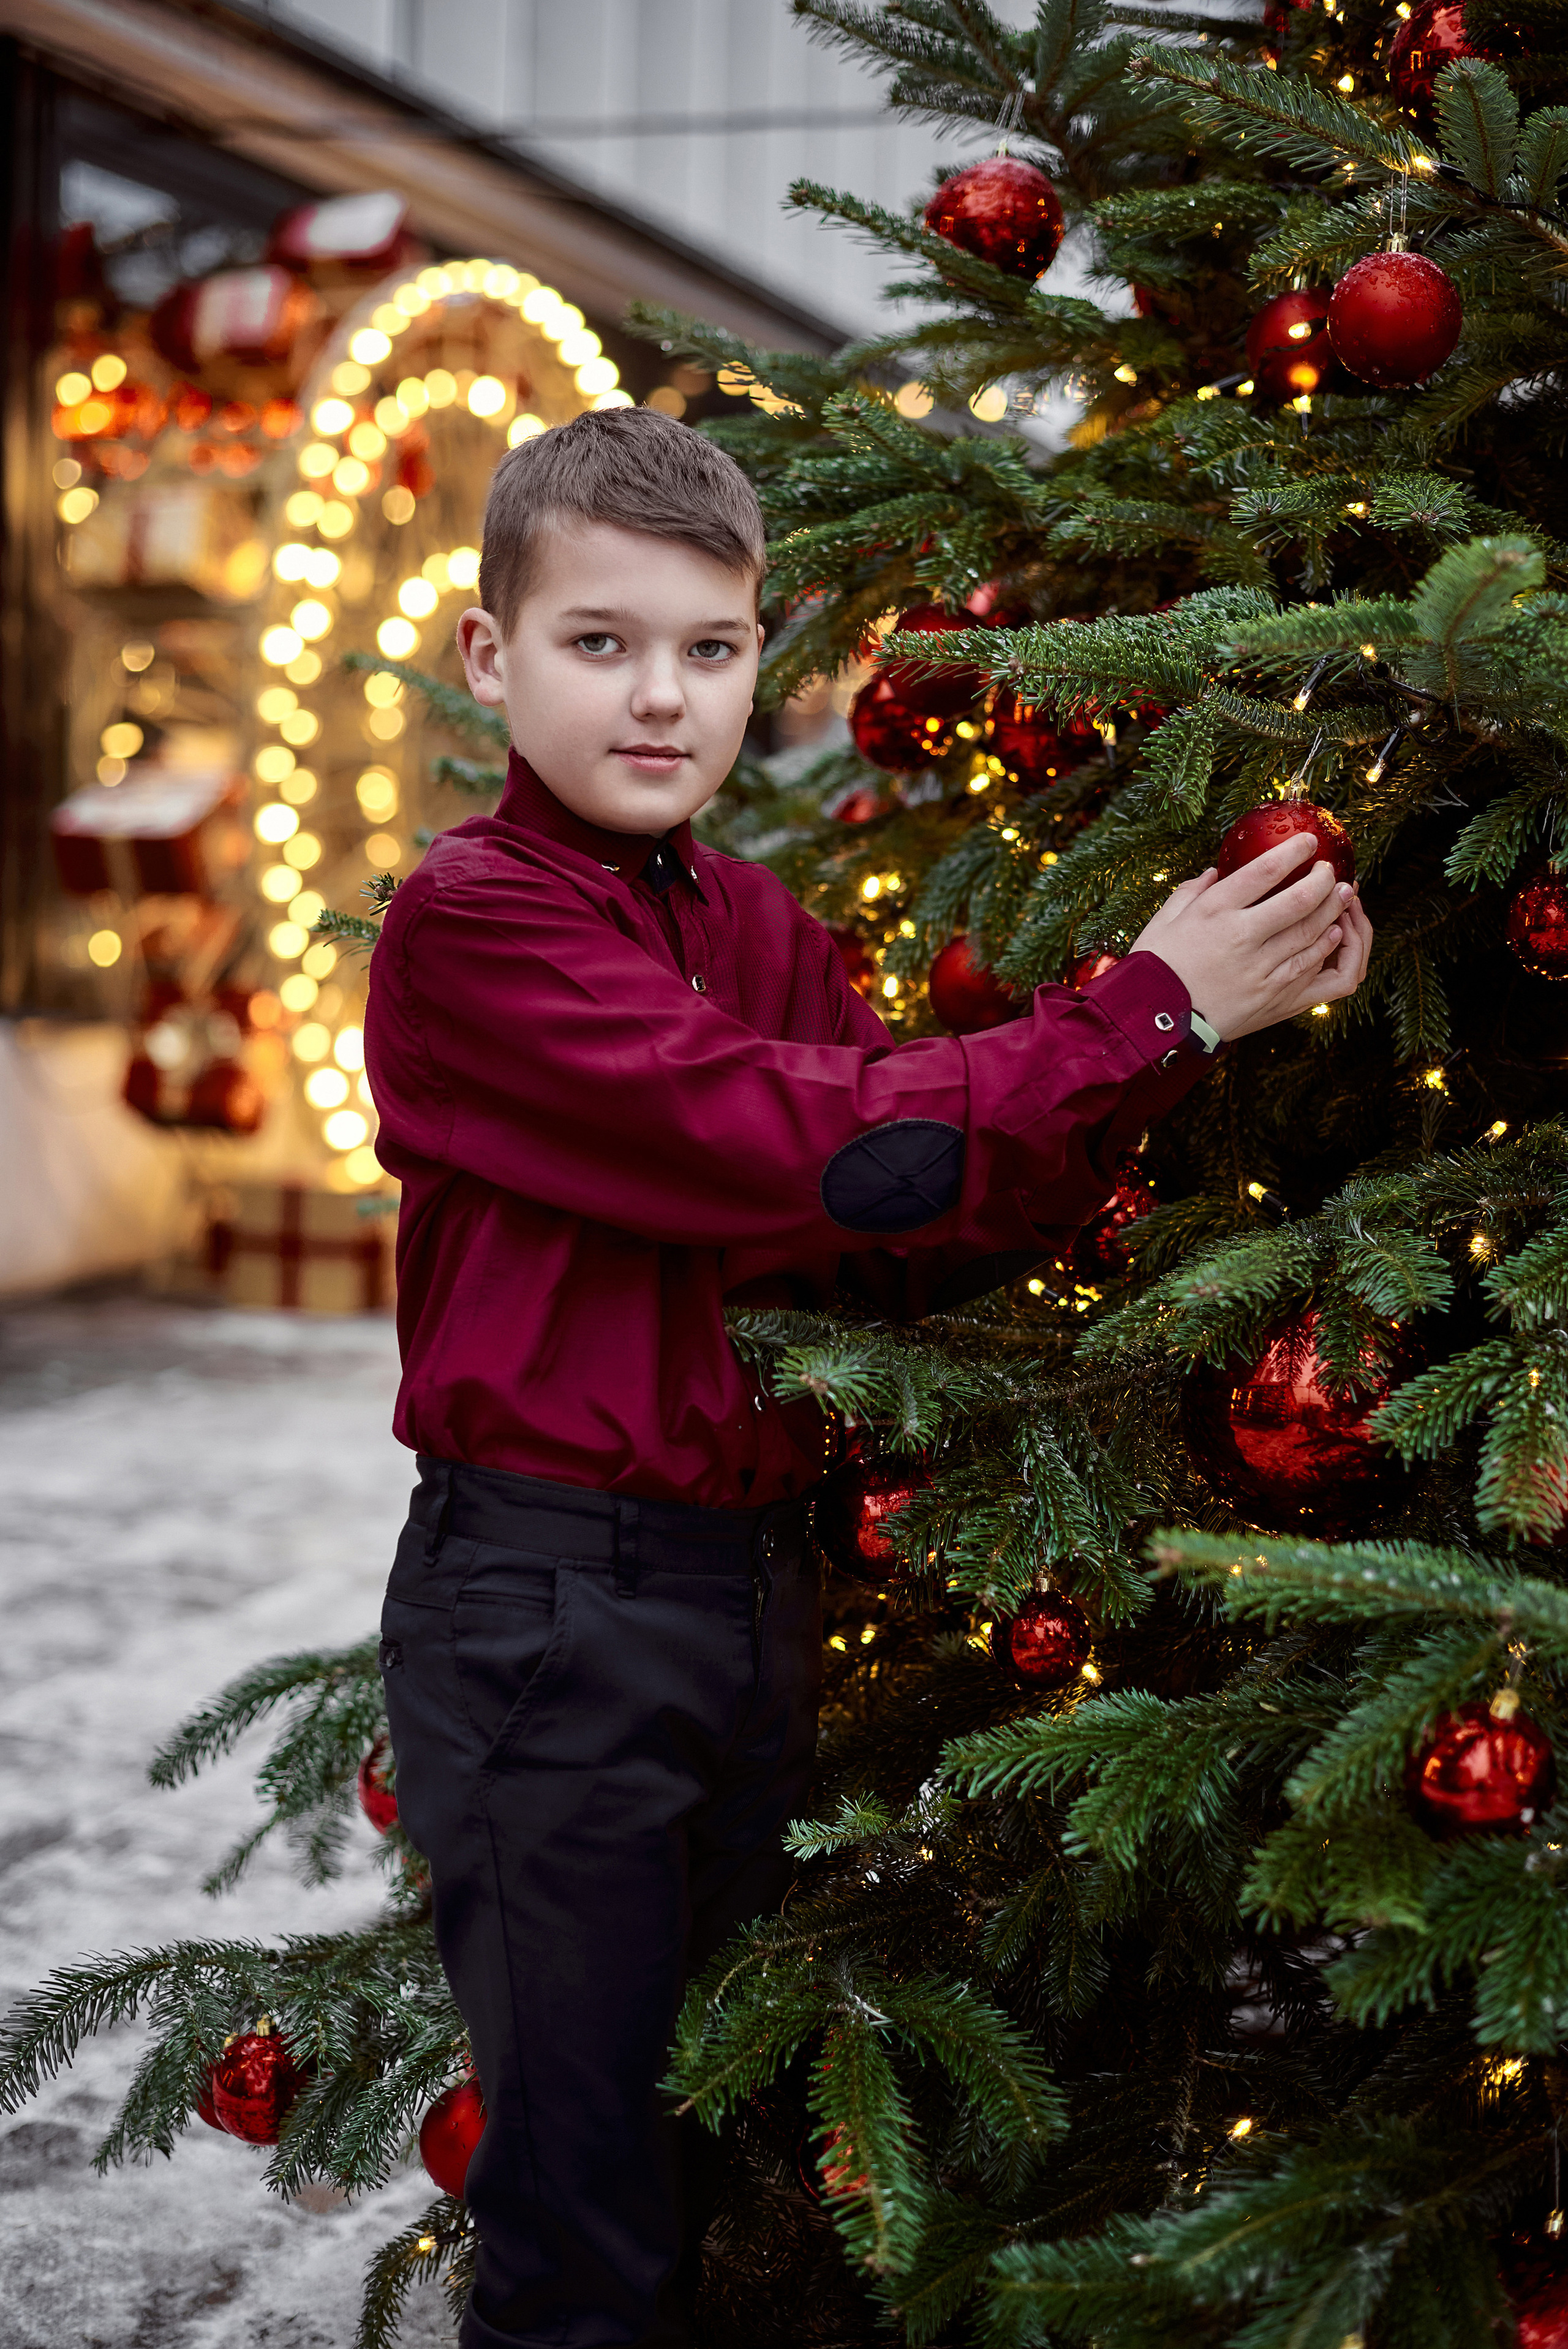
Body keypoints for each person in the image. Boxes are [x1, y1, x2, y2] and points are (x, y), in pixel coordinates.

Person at [366, 405, 1373, 2349]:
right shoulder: (471, 918)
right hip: (550, 1613)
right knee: (585, 2220)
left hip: (754, 1600)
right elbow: (793, 1137)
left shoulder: (754, 922)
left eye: (711, 649)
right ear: (492, 657)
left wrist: (1200, 1047)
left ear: (763, 661)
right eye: (601, 641)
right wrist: (1141, 1005)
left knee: (718, 2159)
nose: (661, 698)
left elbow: (900, 1220)